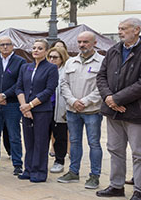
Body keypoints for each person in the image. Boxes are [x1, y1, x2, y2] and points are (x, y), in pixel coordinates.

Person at [96, 18, 141, 200]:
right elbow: (101, 76)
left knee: (138, 153)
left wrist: (117, 99)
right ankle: (116, 185)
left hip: (135, 112)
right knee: (115, 149)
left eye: (124, 29)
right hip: (113, 111)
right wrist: (109, 98)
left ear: (137, 30)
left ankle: (139, 189)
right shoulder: (114, 50)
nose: (120, 32)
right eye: (119, 28)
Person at [58, 31, 104, 189]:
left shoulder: (102, 62)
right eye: (79, 42)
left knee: (94, 144)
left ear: (94, 43)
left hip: (92, 112)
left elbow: (102, 87)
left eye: (85, 42)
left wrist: (84, 101)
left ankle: (94, 176)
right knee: (75, 142)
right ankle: (73, 172)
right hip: (72, 111)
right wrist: (72, 101)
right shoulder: (71, 62)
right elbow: (63, 84)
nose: (82, 45)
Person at [16, 39, 58, 183]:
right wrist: (24, 106)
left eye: (40, 48)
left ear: (46, 51)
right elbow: (19, 87)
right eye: (34, 48)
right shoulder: (25, 67)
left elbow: (49, 90)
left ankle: (39, 171)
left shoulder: (51, 68)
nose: (36, 50)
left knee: (40, 141)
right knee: (29, 141)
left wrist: (31, 105)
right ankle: (28, 169)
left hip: (42, 110)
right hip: (26, 110)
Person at [0, 36, 26, 175]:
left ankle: (17, 164)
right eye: (2, 45)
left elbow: (20, 83)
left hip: (12, 103)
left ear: (12, 46)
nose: (5, 47)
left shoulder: (20, 62)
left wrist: (5, 95)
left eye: (7, 44)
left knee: (14, 135)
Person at [47, 45, 69, 174]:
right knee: (43, 135)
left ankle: (59, 161)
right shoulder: (45, 69)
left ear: (62, 58)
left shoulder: (66, 71)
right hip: (45, 107)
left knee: (60, 135)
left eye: (55, 57)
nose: (52, 59)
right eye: (50, 57)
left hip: (60, 107)